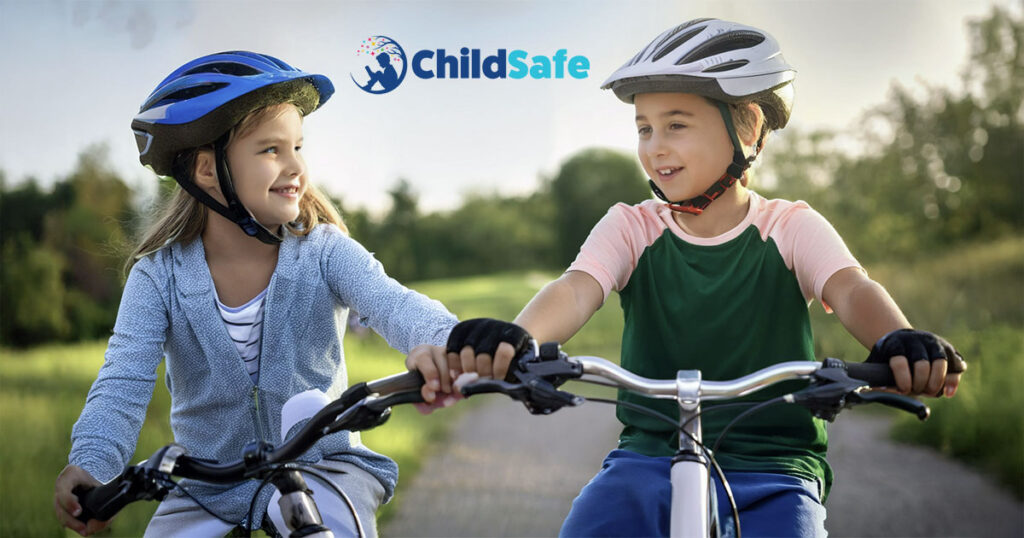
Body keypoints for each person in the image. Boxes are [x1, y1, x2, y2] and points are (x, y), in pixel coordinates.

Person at [443, 19, 967, 537]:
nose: (655, 146)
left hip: (774, 465)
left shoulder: (790, 227)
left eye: (676, 124)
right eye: (644, 128)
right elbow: (577, 288)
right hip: (647, 456)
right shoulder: (631, 226)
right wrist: (520, 336)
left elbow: (851, 289)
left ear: (748, 129)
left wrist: (896, 339)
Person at [53, 51, 460, 537]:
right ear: (207, 171)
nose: (296, 167)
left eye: (298, 147)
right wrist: (95, 464)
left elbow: (394, 304)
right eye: (271, 150)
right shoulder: (157, 278)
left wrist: (449, 340)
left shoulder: (324, 252)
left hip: (324, 467)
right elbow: (122, 382)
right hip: (206, 484)